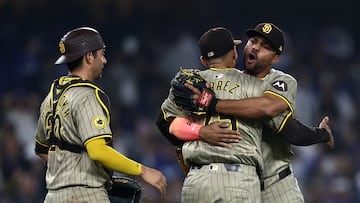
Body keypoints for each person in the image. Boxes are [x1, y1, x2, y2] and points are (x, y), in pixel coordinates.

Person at [170, 23, 334, 203]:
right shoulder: (234, 82)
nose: (255, 47)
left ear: (276, 58)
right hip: (240, 182)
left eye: (265, 47)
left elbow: (283, 123)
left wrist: (321, 134)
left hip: (276, 186)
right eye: (253, 41)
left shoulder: (279, 81)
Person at [34, 27, 167, 203]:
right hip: (85, 195)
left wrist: (69, 172)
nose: (104, 60)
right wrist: (142, 170)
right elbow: (97, 151)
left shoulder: (50, 98)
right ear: (89, 57)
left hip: (53, 196)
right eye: (101, 54)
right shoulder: (88, 95)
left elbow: (42, 149)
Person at [157, 27, 286, 203]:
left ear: (203, 60)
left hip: (196, 182)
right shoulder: (256, 85)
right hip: (238, 180)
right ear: (234, 53)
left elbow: (165, 123)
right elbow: (283, 122)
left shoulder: (188, 85)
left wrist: (200, 131)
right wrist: (320, 133)